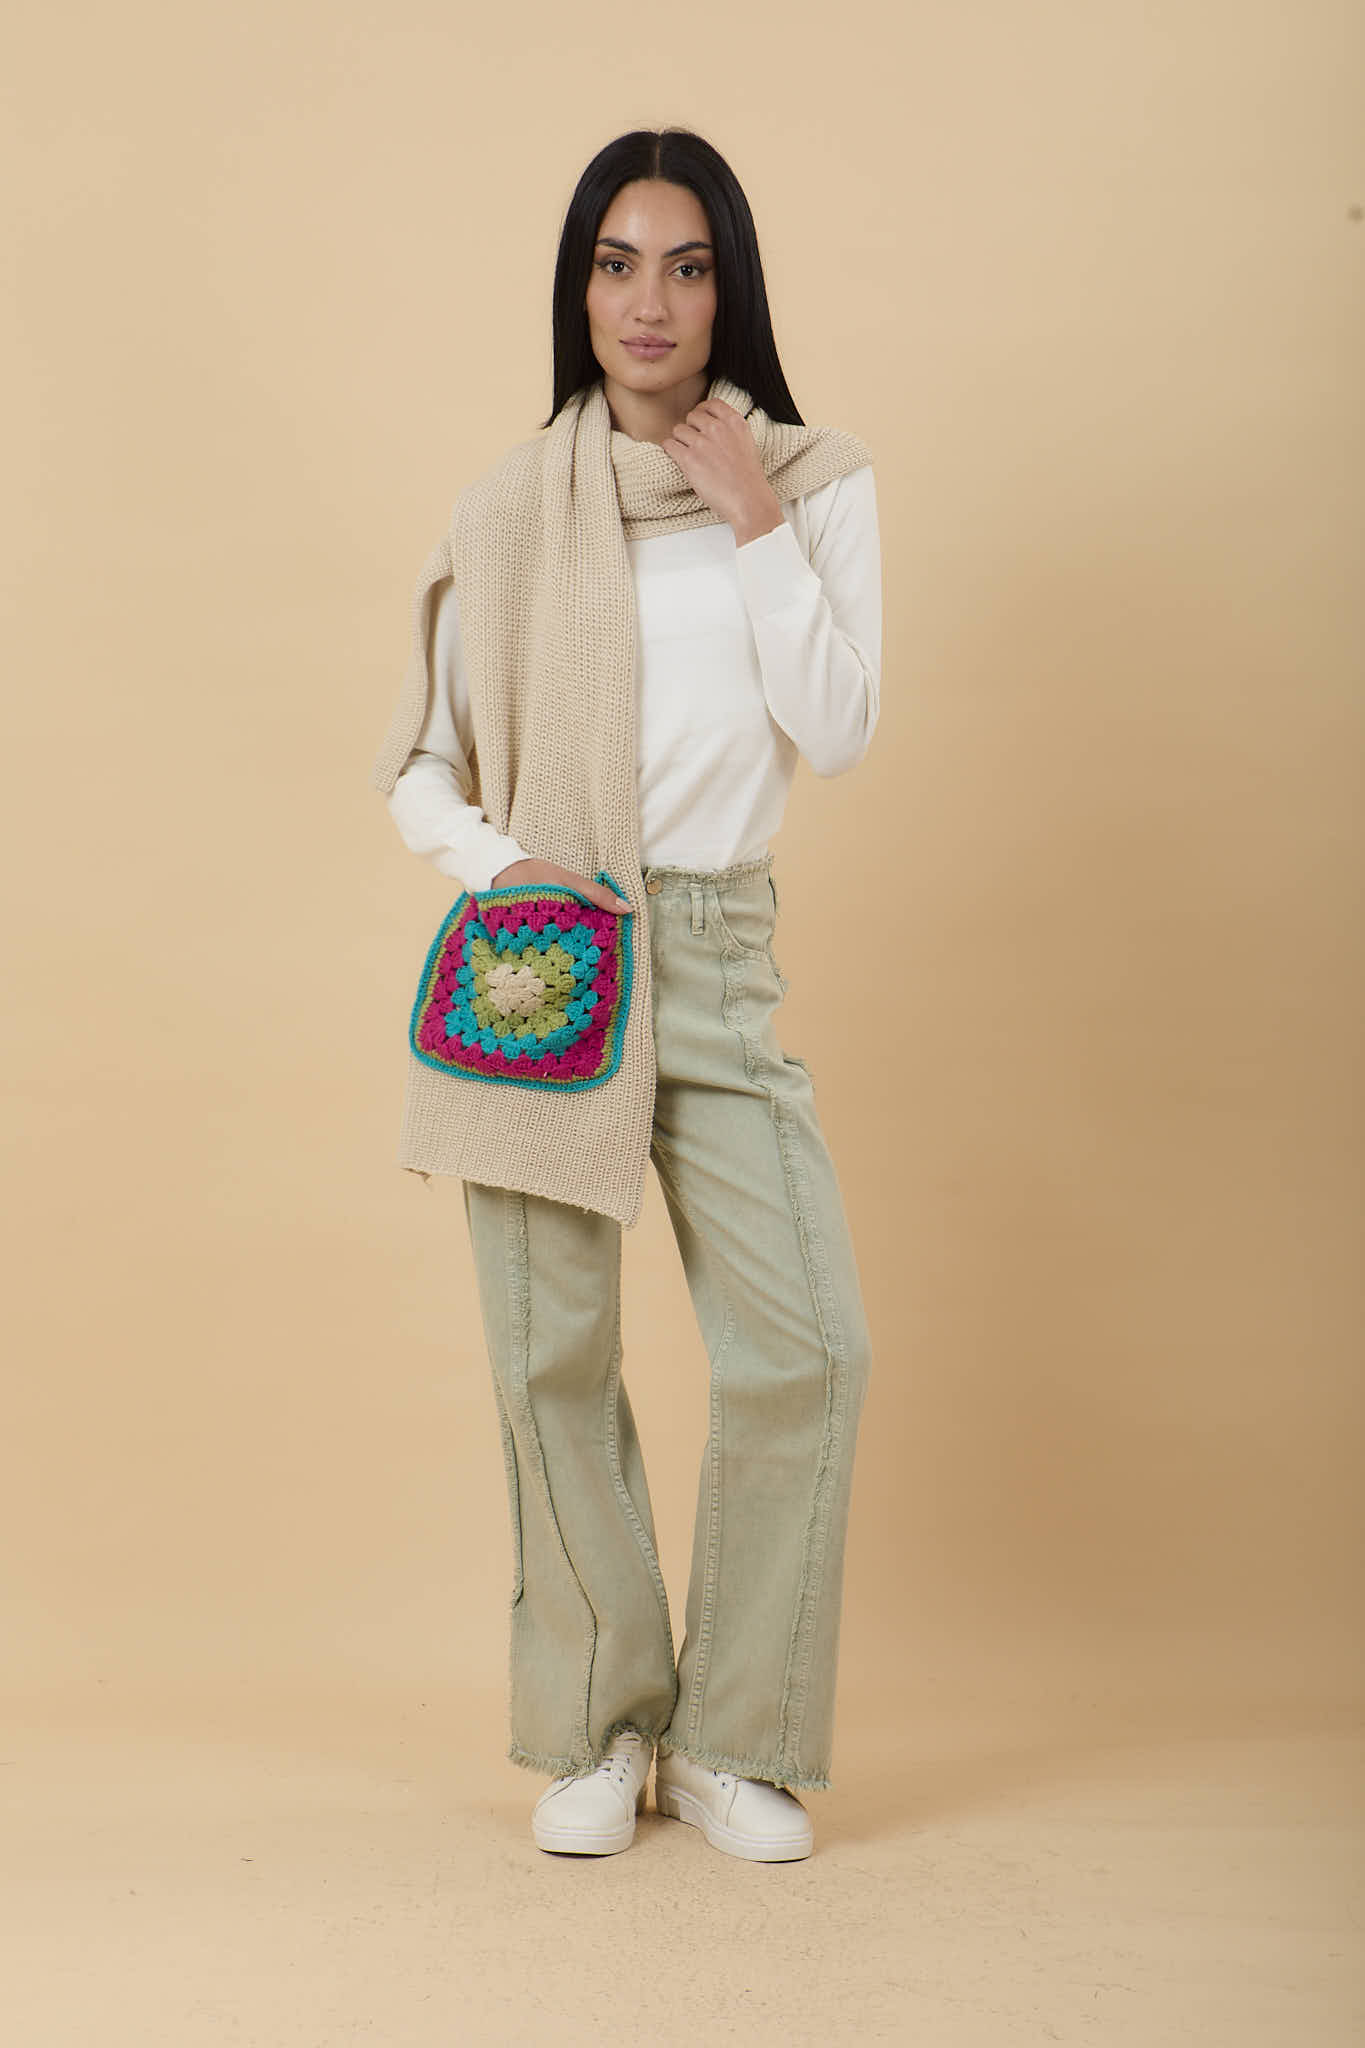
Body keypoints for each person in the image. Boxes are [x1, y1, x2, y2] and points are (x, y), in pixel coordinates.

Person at [372, 127, 882, 1862]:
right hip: (551, 956)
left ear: (729, 289)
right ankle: (600, 1727)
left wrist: (754, 525)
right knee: (551, 1355)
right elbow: (421, 768)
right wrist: (506, 870)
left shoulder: (811, 482)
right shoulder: (511, 507)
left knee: (806, 1346)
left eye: (684, 265)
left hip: (717, 949)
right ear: (576, 288)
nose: (646, 301)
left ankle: (736, 1739)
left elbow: (840, 726)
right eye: (613, 263)